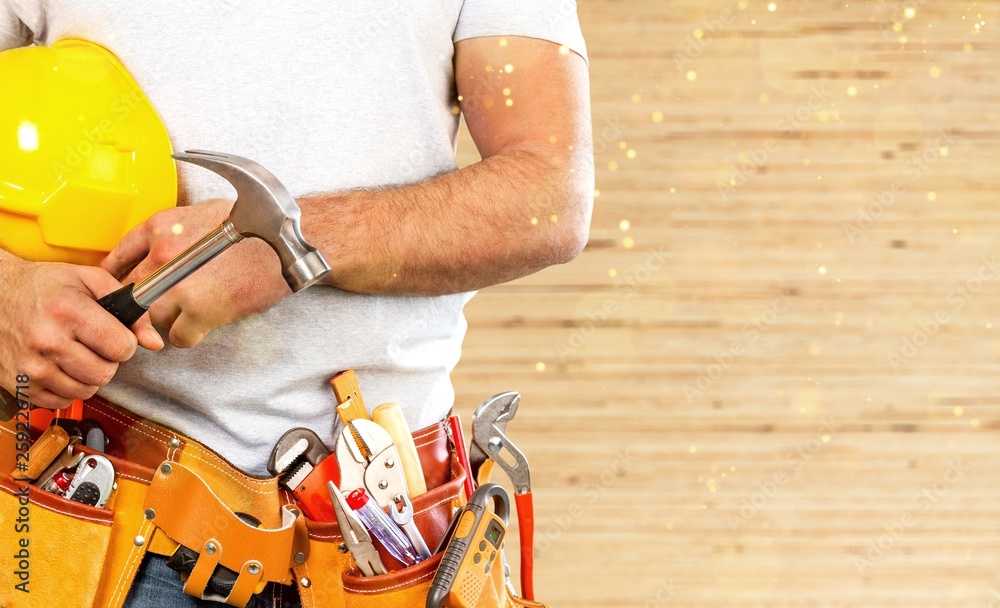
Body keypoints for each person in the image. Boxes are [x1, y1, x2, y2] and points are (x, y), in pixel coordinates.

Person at [0, 1, 592, 605]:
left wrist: (292, 245)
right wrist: (6, 296)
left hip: (388, 548)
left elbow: (549, 195)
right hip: (104, 518)